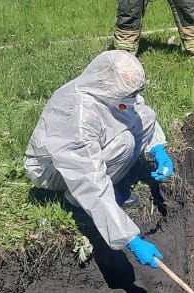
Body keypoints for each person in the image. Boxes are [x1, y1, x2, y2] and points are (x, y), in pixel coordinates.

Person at [24, 51, 174, 269]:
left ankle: (111, 190)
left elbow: (139, 112)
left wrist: (157, 148)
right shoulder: (79, 117)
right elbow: (89, 181)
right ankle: (74, 202)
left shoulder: (107, 89)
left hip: (85, 157)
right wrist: (130, 239)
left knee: (142, 118)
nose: (131, 101)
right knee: (125, 143)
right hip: (54, 170)